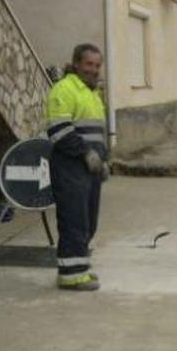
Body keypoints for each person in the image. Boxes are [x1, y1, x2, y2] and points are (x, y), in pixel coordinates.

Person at [46, 44, 108, 291]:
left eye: (97, 65)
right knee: (74, 220)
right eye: (89, 64)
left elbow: (96, 134)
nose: (93, 69)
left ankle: (80, 268)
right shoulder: (64, 89)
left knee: (88, 221)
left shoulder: (92, 93)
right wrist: (86, 154)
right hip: (70, 167)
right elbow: (58, 130)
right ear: (76, 63)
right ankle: (70, 276)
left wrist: (102, 160)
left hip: (89, 168)